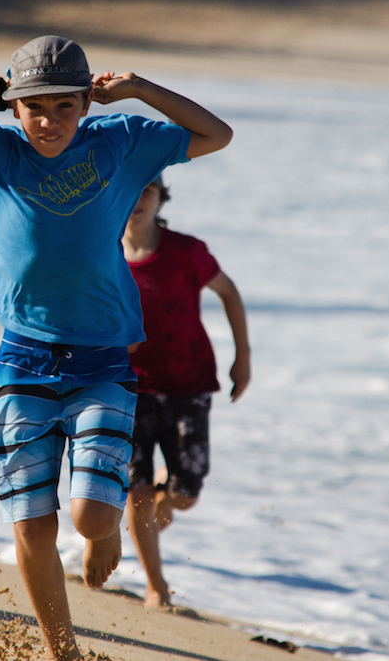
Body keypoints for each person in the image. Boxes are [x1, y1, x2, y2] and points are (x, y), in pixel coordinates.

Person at [0, 35, 232, 660]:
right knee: (30, 521)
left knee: (90, 519)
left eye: (65, 107)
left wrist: (138, 89)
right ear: (18, 106)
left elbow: (216, 134)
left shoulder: (121, 142)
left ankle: (105, 536)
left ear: (87, 103)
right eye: (36, 107)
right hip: (22, 355)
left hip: (104, 358)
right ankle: (64, 652)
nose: (49, 121)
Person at [122, 175, 251, 609]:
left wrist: (243, 358)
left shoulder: (187, 252)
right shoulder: (99, 253)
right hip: (126, 387)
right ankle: (156, 587)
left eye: (147, 190)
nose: (138, 199)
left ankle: (163, 502)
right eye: (129, 189)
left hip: (187, 384)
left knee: (185, 495)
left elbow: (229, 292)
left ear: (161, 197)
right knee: (134, 492)